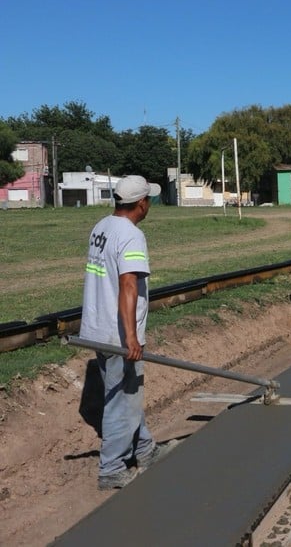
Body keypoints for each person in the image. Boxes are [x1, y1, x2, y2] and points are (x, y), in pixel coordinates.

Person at [80, 175, 171, 490]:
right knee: (123, 403)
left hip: (97, 328)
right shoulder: (131, 235)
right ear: (141, 203)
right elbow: (129, 283)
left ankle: (144, 449)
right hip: (118, 334)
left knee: (125, 394)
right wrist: (131, 336)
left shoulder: (102, 227)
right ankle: (112, 468)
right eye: (149, 201)